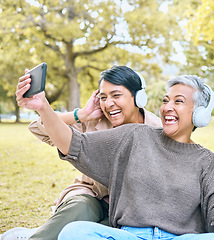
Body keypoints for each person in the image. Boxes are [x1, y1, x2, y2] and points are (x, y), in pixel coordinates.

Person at [15, 72, 214, 239]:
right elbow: (74, 144)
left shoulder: (206, 160)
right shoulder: (135, 136)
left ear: (199, 113)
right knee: (74, 232)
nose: (168, 107)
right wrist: (43, 106)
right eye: (166, 100)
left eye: (178, 102)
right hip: (130, 235)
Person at [1, 66, 161, 240]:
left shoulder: (158, 131)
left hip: (130, 207)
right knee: (82, 207)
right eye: (103, 97)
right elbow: (39, 128)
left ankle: (40, 232)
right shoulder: (95, 121)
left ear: (138, 97)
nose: (108, 104)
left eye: (116, 95)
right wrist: (82, 114)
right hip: (91, 194)